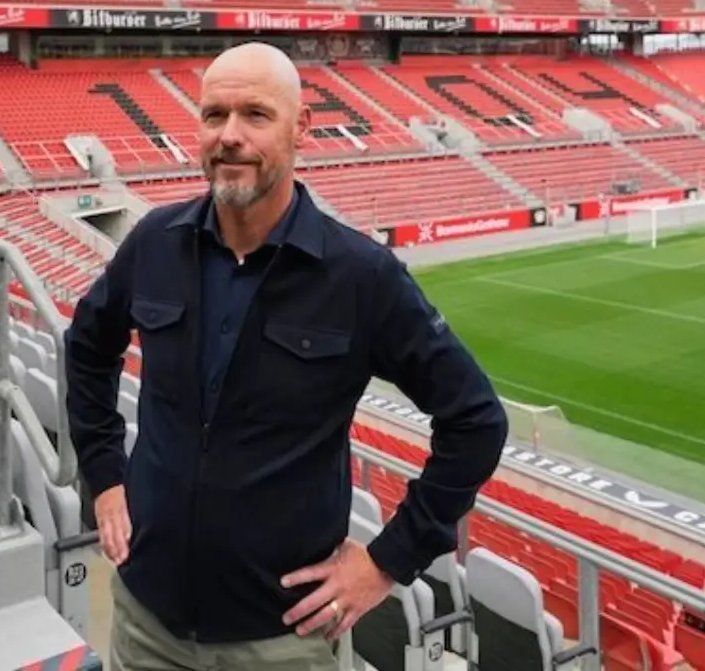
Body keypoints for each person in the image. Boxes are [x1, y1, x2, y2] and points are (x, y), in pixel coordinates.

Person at [64, 42, 509, 671]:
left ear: (301, 127)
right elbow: (88, 346)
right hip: (145, 623)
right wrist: (105, 477)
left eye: (255, 115)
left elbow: (476, 421)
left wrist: (387, 561)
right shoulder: (154, 243)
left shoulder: (361, 276)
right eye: (214, 115)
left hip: (282, 642)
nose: (230, 135)